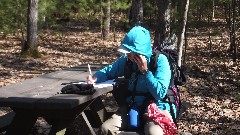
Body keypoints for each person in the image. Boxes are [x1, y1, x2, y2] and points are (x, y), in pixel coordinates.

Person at [87, 26, 176, 135]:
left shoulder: (160, 61)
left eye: (130, 52)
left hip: (157, 109)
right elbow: (109, 71)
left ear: (139, 51)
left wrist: (145, 72)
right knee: (106, 129)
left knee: (154, 132)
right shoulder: (127, 60)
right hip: (133, 107)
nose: (127, 55)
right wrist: (96, 77)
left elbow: (159, 94)